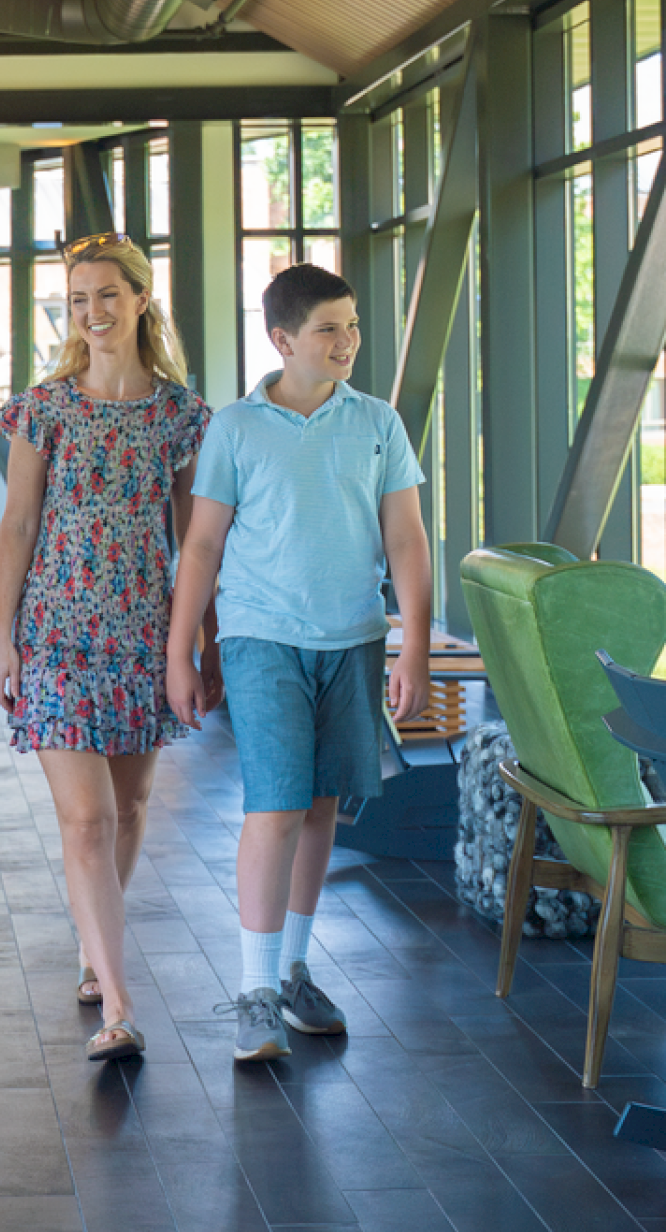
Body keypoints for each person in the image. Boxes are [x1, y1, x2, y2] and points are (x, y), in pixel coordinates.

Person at [165, 262, 431, 1063]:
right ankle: (254, 993)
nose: (347, 342)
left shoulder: (378, 422)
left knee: (320, 808)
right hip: (261, 637)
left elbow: (407, 539)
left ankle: (292, 971)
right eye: (328, 330)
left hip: (354, 638)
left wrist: (415, 644)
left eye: (353, 326)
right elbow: (202, 545)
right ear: (282, 340)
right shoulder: (235, 428)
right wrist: (183, 650)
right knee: (276, 807)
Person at [0, 232, 213, 1063]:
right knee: (87, 819)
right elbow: (17, 525)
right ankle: (118, 1001)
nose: (91, 313)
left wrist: (198, 640)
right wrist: (3, 638)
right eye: (78, 299)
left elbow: (195, 535)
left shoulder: (181, 414)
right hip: (56, 633)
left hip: (145, 633)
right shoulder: (43, 408)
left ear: (142, 299)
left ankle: (96, 941)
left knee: (131, 808)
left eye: (107, 295)